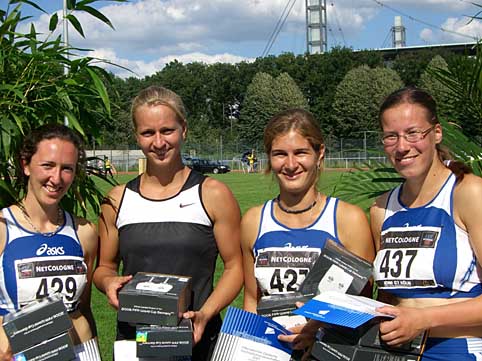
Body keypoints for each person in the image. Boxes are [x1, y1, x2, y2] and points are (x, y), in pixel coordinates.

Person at [93, 85, 243, 361]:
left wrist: (205, 314)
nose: (159, 142)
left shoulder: (213, 194)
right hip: (134, 340)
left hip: (197, 338)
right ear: (137, 136)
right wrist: (108, 282)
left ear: (183, 129)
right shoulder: (116, 199)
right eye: (148, 133)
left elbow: (236, 267)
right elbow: (103, 268)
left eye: (167, 131)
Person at [241, 108, 375, 351]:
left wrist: (318, 333)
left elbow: (363, 306)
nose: (291, 164)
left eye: (300, 152)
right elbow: (252, 299)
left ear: (319, 153)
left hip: (326, 351)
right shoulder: (253, 220)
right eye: (280, 154)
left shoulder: (348, 219)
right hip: (271, 352)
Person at [371, 86, 482, 360]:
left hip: (459, 351)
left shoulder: (468, 193)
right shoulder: (380, 209)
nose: (402, 146)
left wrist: (422, 319)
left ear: (437, 133)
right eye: (391, 137)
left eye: (413, 133)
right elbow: (387, 299)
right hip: (395, 353)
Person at [0, 124, 100, 360]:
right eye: (48, 165)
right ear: (25, 165)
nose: (56, 178)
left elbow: (83, 307)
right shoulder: (4, 227)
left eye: (67, 169)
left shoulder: (84, 231)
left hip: (80, 350)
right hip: (18, 353)